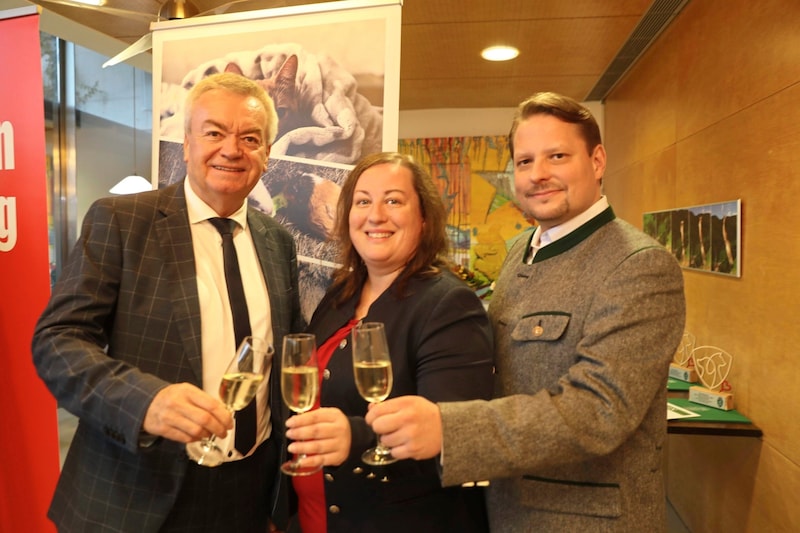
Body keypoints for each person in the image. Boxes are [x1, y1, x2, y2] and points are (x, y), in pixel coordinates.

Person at [365, 93, 686, 532]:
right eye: (524, 161)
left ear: (597, 161)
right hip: (506, 508)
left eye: (557, 156)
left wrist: (450, 430)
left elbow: (598, 411)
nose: (539, 175)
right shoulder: (522, 250)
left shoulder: (639, 265)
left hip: (587, 521)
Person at [32, 72, 305, 532]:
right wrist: (146, 401)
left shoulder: (277, 241)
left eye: (250, 137)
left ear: (267, 154)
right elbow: (57, 341)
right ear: (186, 143)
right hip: (134, 494)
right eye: (214, 132)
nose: (231, 149)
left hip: (248, 494)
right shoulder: (121, 221)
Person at [281, 152, 494, 533]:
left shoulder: (448, 305)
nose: (375, 215)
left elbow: (456, 438)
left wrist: (358, 435)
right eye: (363, 201)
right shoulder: (340, 295)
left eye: (393, 200)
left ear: (424, 218)